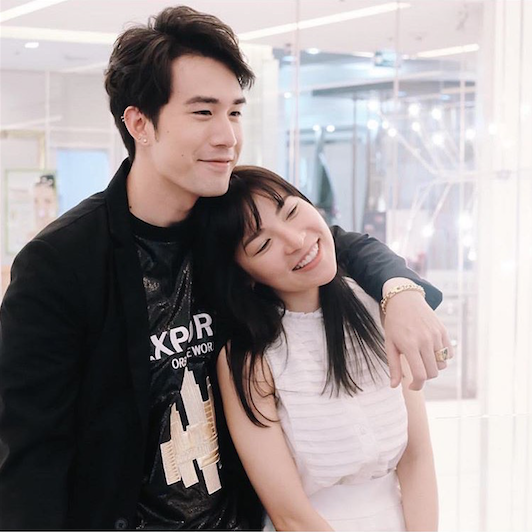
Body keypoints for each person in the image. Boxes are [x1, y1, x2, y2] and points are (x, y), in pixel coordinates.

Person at [0, 5, 450, 530]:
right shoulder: (63, 261)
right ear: (140, 122)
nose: (227, 136)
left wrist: (400, 292)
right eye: (203, 112)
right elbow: (30, 457)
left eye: (234, 112)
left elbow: (334, 244)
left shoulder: (223, 227)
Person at [192, 166, 439, 531]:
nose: (295, 240)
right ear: (244, 274)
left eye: (292, 211)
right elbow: (289, 515)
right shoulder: (249, 357)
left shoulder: (379, 307)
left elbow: (417, 460)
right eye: (263, 245)